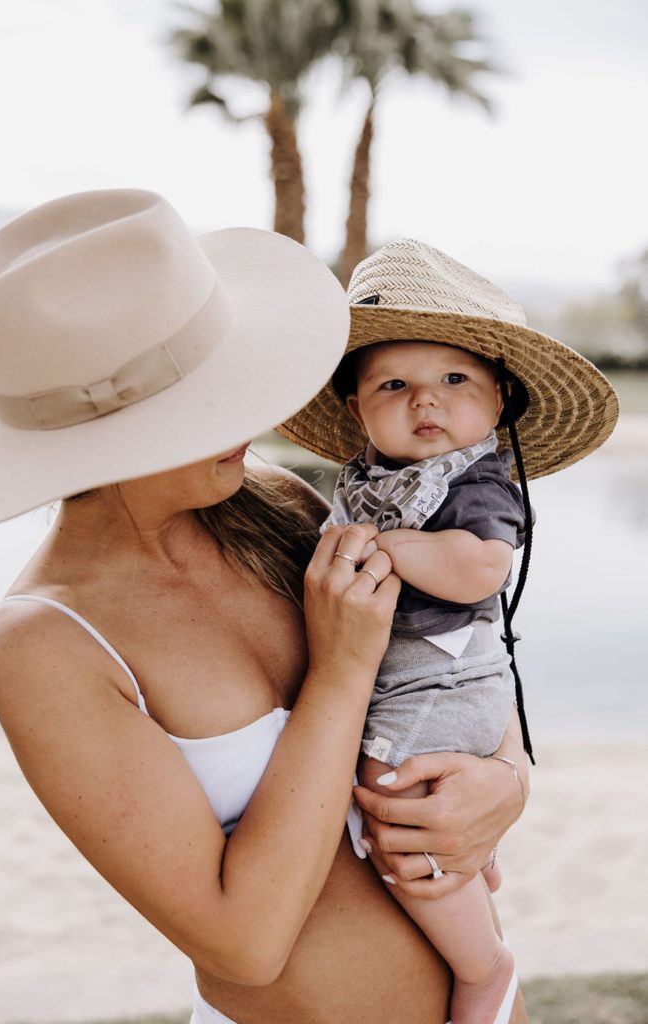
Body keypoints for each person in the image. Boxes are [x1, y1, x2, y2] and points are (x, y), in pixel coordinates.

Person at [0, 191, 537, 1024]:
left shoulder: (272, 503)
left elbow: (451, 652)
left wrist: (505, 777)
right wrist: (337, 675)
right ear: (109, 435)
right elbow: (244, 942)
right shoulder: (47, 643)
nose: (256, 414)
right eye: (211, 396)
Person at [278, 239, 618, 1024]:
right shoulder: (366, 479)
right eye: (394, 384)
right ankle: (473, 858)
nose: (425, 402)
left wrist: (387, 546)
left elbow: (478, 571)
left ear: (497, 401)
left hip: (444, 674)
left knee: (387, 801)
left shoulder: (479, 481)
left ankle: (482, 965)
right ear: (356, 409)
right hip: (402, 675)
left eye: (453, 380)